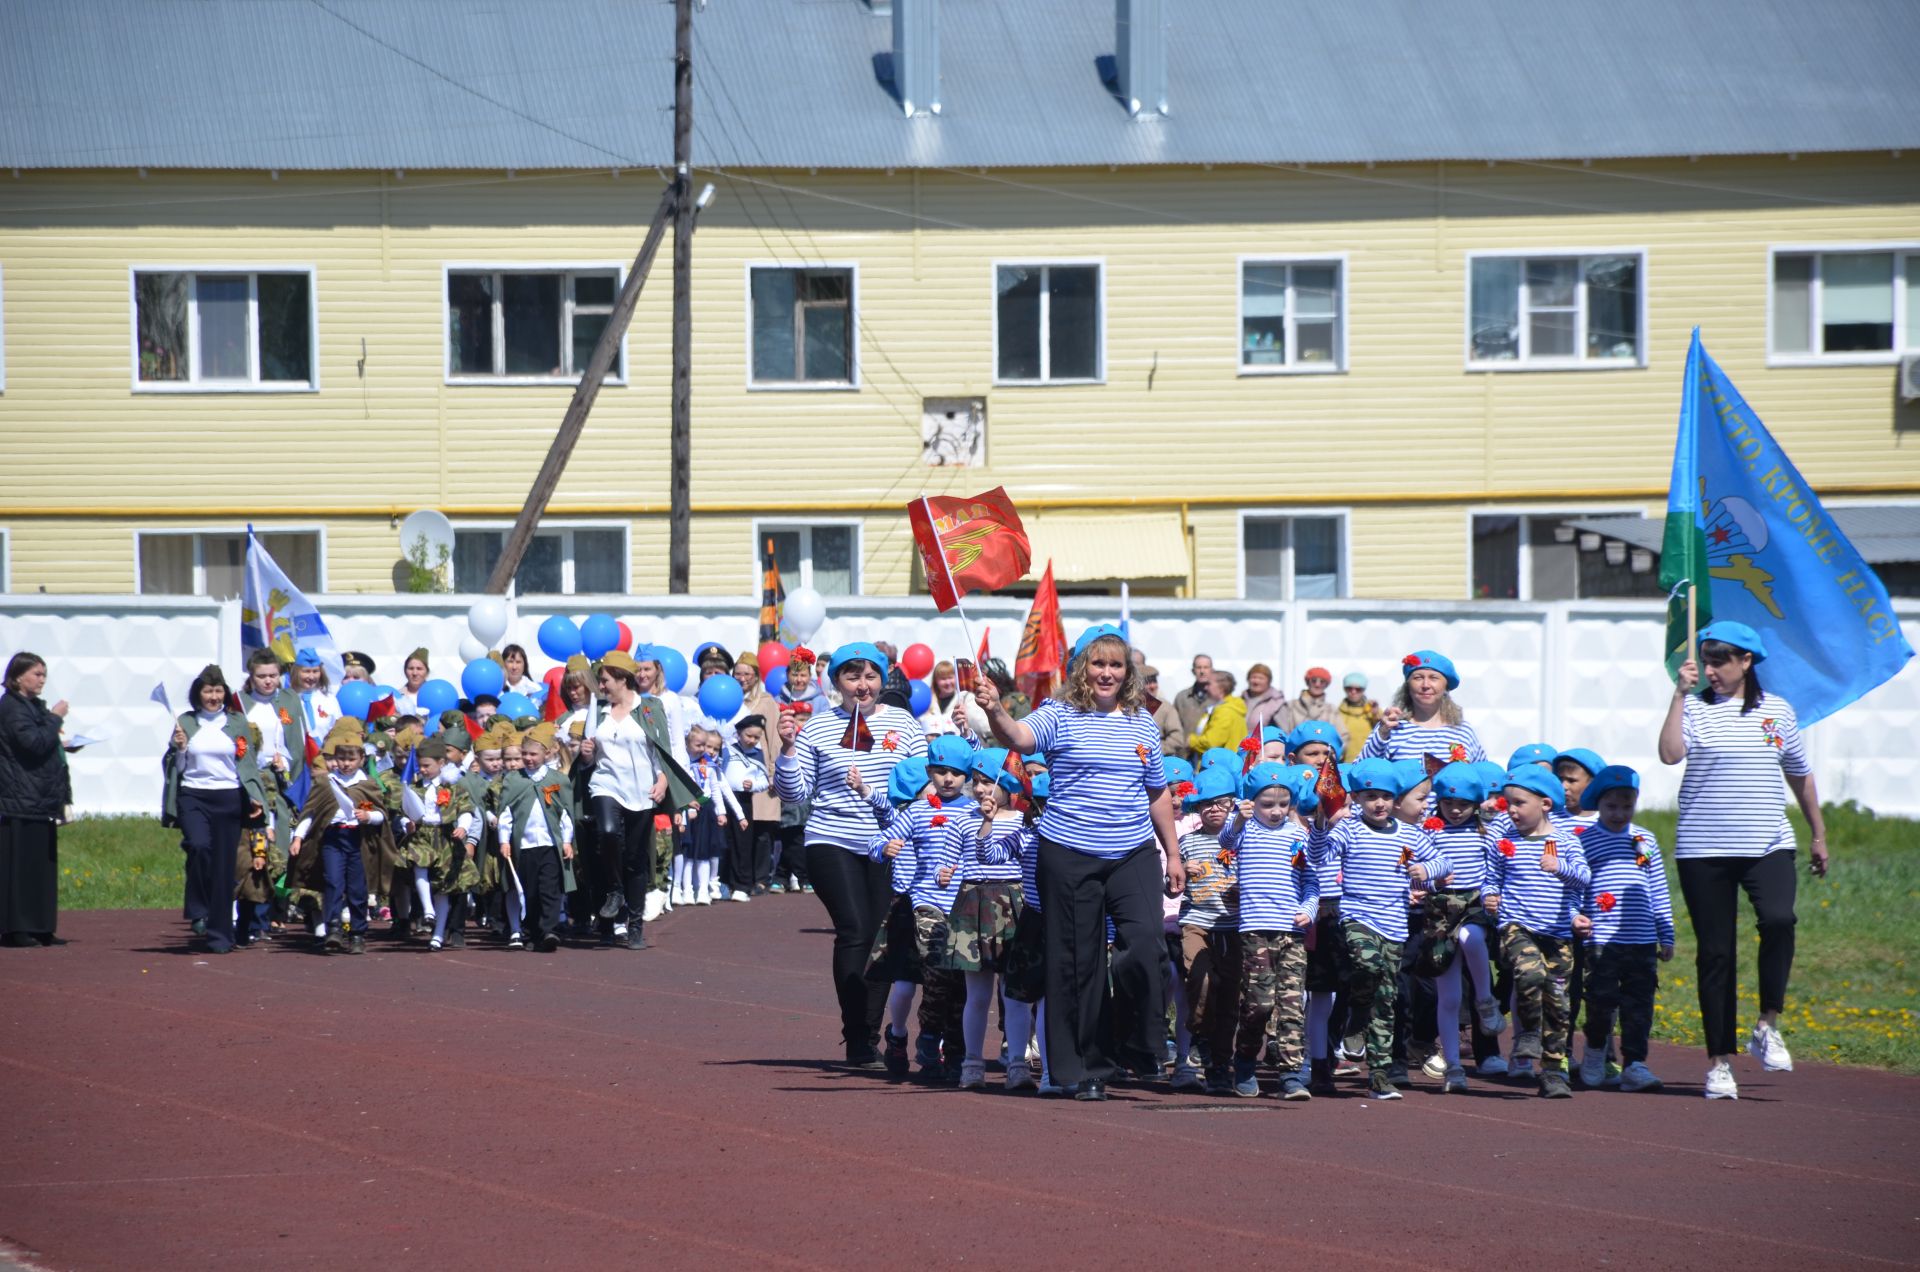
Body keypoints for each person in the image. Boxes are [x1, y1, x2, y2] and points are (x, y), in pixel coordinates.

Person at [976, 624, 1185, 1102]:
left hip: (1131, 851)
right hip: (1067, 852)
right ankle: (1084, 1070)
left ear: (1126, 671)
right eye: (1098, 663)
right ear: (1081, 669)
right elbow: (1021, 738)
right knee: (1077, 964)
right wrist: (995, 711)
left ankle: (1136, 1047)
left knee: (1147, 945)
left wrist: (1171, 851)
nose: (1107, 673)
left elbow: (1157, 790)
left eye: (1115, 664)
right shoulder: (1059, 713)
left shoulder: (1141, 722)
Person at [1658, 620, 1826, 1101]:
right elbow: (1670, 755)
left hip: (1767, 843)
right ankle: (1718, 1062)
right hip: (1704, 848)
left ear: (1747, 661)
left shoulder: (1778, 712)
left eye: (1720, 661)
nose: (1711, 669)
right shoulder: (1693, 709)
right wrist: (1677, 696)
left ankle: (1767, 1023)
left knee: (1779, 919)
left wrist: (1819, 833)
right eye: (1706, 660)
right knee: (1716, 954)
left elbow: (1800, 774)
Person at [775, 642, 928, 1067]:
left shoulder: (904, 724)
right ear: (837, 682)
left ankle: (870, 1034)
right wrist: (787, 750)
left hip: (888, 841)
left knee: (882, 938)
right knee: (856, 929)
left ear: (883, 679)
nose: (862, 686)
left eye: (870, 676)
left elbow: (921, 785)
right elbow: (795, 793)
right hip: (832, 838)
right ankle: (856, 1037)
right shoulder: (819, 728)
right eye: (852, 676)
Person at [1309, 757, 1447, 1100]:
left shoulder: (1410, 834)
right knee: (1365, 965)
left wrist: (1425, 871)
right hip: (1356, 916)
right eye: (1371, 796)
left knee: (1387, 1001)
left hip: (1395, 925)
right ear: (1356, 798)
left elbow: (1445, 863)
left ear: (1396, 799)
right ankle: (1356, 1020)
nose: (1379, 803)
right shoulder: (1349, 828)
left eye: (1386, 796)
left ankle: (1380, 1075)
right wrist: (1321, 825)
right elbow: (1318, 855)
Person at [1484, 765, 1592, 1098]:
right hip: (1518, 926)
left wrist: (1561, 872)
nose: (1512, 810)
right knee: (1528, 973)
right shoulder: (1505, 842)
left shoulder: (1564, 841)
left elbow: (1584, 880)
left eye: (1519, 803)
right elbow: (1491, 879)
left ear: (1545, 804)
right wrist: (1490, 896)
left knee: (1558, 1004)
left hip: (1557, 933)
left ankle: (1553, 1071)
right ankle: (1528, 1031)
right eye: (1508, 803)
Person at [580, 650, 698, 946]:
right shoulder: (598, 710)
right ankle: (615, 890)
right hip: (606, 785)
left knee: (636, 859)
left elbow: (662, 747)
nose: (601, 686)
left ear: (621, 678)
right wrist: (585, 755)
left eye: (605, 680)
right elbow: (588, 755)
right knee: (606, 832)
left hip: (642, 790)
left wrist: (661, 779)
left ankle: (635, 926)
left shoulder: (649, 708)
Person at [1576, 765, 1674, 1093]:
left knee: (1639, 1004)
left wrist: (1666, 931)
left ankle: (1635, 1064)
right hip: (1601, 939)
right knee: (1602, 1000)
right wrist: (1577, 917)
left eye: (1627, 806)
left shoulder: (1645, 839)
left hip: (1642, 938)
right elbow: (1576, 886)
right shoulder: (1585, 840)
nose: (1619, 814)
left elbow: (1658, 888)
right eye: (1611, 806)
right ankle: (1594, 1051)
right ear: (1599, 805)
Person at [936, 749, 1029, 1090]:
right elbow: (944, 863)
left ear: (1006, 785)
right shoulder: (961, 819)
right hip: (973, 903)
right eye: (975, 782)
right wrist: (942, 874)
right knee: (977, 994)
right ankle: (972, 1062)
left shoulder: (1023, 821)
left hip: (1014, 905)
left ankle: (1017, 1063)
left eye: (987, 782)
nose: (979, 789)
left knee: (1014, 993)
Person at [1226, 762, 1319, 1099]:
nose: (1276, 811)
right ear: (1253, 802)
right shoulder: (1246, 828)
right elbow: (1227, 838)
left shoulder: (1298, 835)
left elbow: (1311, 881)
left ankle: (1291, 1073)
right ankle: (1247, 1059)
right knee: (1259, 1003)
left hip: (1290, 933)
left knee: (1292, 1004)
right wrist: (1240, 816)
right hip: (1255, 930)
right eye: (1267, 804)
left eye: (1283, 804)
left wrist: (1307, 910)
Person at [164, 665, 268, 954]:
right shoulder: (185, 721)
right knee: (198, 846)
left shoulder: (237, 722)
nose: (213, 696)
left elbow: (246, 764)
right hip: (194, 796)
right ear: (198, 693)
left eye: (218, 690)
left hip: (228, 797)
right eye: (208, 690)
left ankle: (220, 936)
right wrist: (181, 749)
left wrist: (255, 796)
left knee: (224, 868)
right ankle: (198, 909)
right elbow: (175, 767)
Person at [1170, 766, 1240, 1094]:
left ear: (1234, 806)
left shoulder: (1245, 839)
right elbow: (1169, 889)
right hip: (1197, 922)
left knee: (1228, 999)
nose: (1214, 809)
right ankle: (1197, 1035)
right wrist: (1181, 871)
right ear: (1197, 808)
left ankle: (1219, 1066)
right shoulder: (1187, 842)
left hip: (1234, 928)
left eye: (1222, 803)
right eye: (1206, 803)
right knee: (1201, 979)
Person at [0, 653, 70, 947]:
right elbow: (33, 743)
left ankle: (42, 926)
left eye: (44, 674)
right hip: (19, 796)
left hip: (41, 796)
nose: (42, 679)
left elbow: (45, 740)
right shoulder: (12, 708)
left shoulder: (33, 707)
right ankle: (17, 928)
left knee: (42, 864)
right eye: (36, 674)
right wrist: (55, 718)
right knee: (20, 865)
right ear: (18, 677)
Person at [497, 723, 576, 952]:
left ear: (548, 753)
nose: (528, 758)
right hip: (525, 845)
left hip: (550, 844)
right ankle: (533, 931)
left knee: (549, 888)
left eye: (533, 754)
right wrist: (504, 840)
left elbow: (565, 814)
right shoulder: (514, 780)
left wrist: (568, 841)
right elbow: (506, 813)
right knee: (529, 890)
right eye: (525, 754)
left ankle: (550, 930)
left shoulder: (557, 780)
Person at [1360, 651, 1486, 768]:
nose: (1425, 685)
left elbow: (1484, 777)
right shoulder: (1391, 728)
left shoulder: (1463, 731)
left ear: (1445, 686)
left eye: (1433, 678)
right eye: (1418, 678)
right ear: (1408, 686)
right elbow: (1360, 771)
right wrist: (1381, 735)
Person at [1185, 669, 1246, 756]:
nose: (1205, 687)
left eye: (1209, 684)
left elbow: (1212, 743)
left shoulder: (1225, 711)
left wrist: (1191, 741)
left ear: (1221, 688)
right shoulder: (1219, 707)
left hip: (1221, 765)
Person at [1268, 666, 1340, 739]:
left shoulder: (1331, 709)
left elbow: (1342, 736)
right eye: (1314, 680)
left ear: (1326, 685)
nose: (1317, 684)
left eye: (1322, 682)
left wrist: (1332, 747)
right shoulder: (1291, 705)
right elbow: (1281, 732)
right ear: (1308, 682)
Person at [1140, 666, 1186, 761]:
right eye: (1147, 683)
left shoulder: (1165, 707)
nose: (1152, 686)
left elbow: (1177, 738)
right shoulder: (1125, 706)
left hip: (1158, 761)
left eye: (1154, 682)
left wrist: (1155, 750)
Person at [1335, 673, 1380, 762]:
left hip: (1368, 762)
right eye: (1349, 688)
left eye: (1358, 689)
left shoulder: (1373, 711)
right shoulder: (1337, 713)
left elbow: (1384, 733)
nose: (1353, 692)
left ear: (1363, 690)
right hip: (1345, 763)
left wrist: (1376, 714)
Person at [1174, 654, 1214, 742]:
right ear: (1193, 670)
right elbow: (1174, 727)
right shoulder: (1182, 697)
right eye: (1198, 667)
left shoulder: (1218, 698)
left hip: (1210, 752)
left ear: (1212, 670)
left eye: (1206, 667)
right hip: (1185, 752)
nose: (1202, 671)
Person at [1240, 663, 1285, 736]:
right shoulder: (1240, 700)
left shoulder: (1277, 703)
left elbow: (1283, 731)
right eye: (1253, 677)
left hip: (1262, 745)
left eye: (1261, 678)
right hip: (1239, 745)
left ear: (1268, 681)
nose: (1256, 681)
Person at [396, 648, 431, 715]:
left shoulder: (433, 695)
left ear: (427, 672)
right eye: (411, 668)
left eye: (419, 669)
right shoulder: (397, 697)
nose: (415, 673)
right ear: (405, 671)